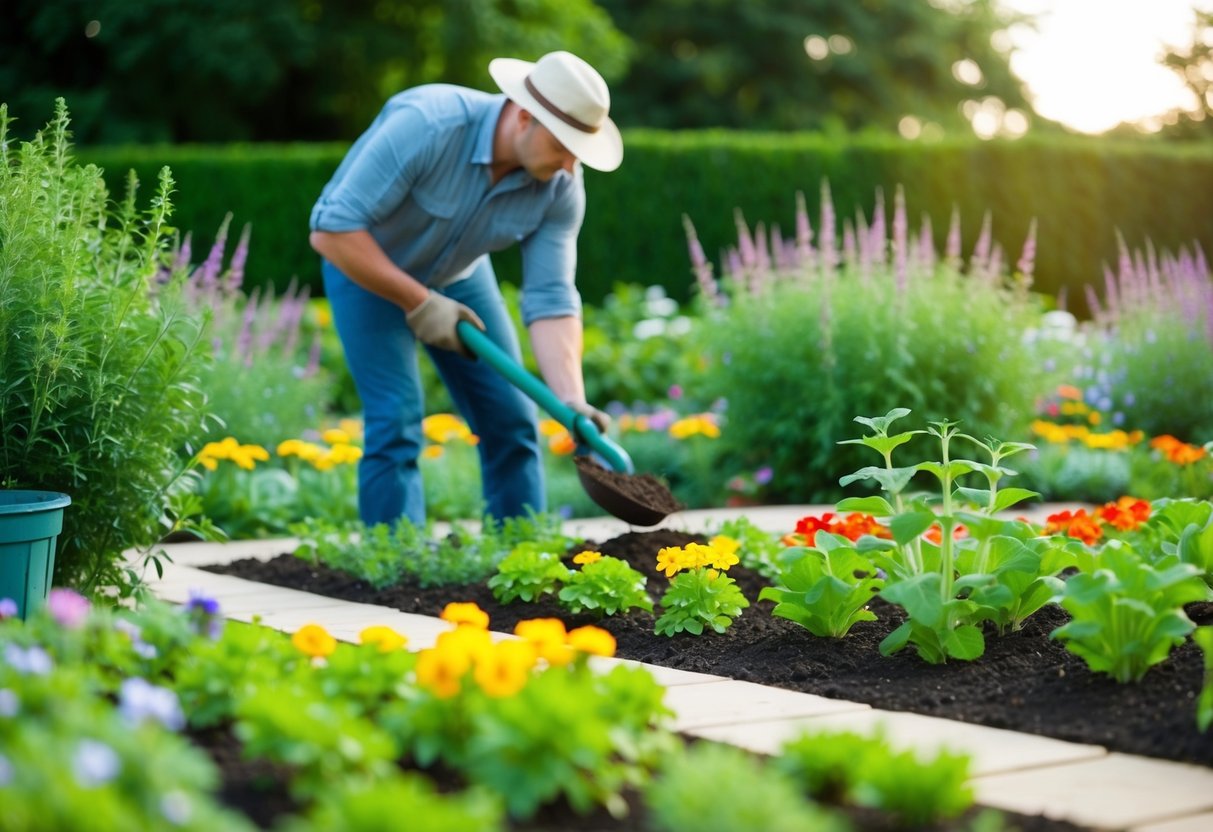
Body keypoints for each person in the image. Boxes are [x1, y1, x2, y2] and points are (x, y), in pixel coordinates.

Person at [309, 50, 620, 528]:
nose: (570, 166)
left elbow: (552, 296)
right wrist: (418, 301)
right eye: (564, 146)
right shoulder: (429, 125)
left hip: (459, 277)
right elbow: (331, 230)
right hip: (363, 267)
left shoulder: (559, 187)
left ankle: (520, 561)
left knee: (513, 421)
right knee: (396, 420)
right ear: (523, 117)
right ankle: (396, 565)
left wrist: (571, 400)